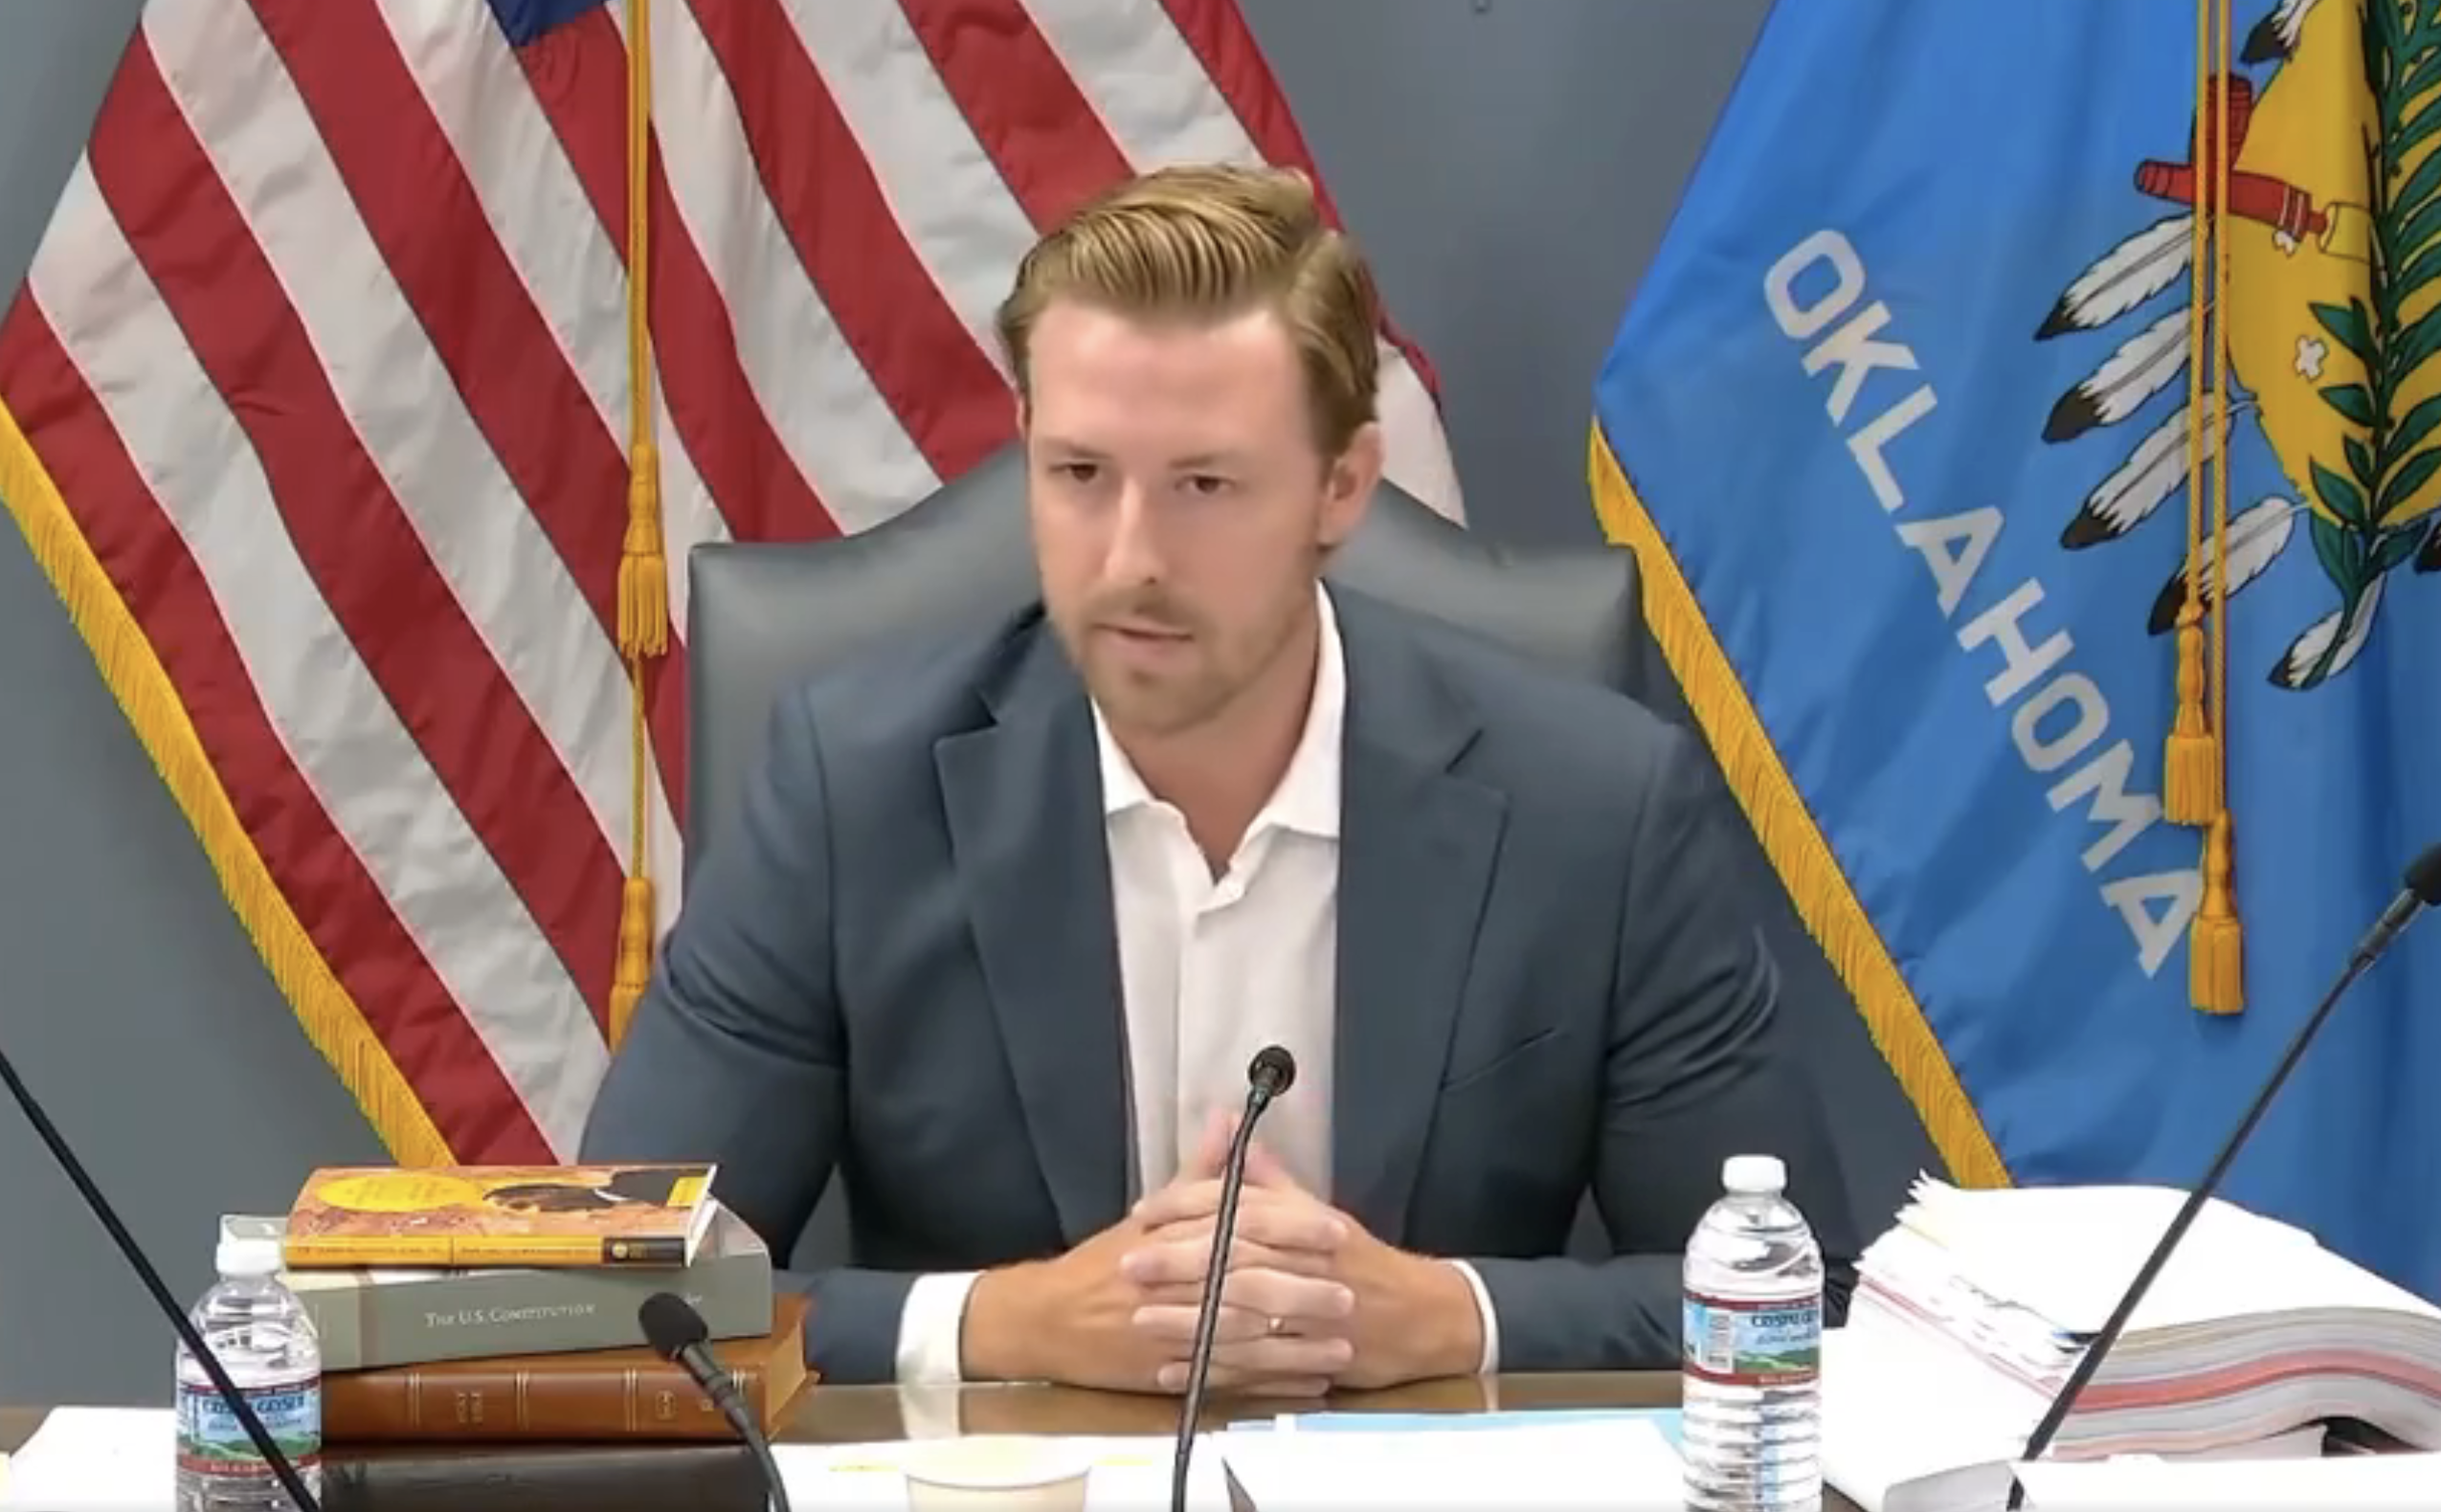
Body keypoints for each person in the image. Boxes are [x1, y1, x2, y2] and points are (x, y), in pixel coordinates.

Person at [579, 162, 1860, 1393]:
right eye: (1079, 475)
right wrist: (1009, 1318)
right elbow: (610, 1284)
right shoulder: (848, 792)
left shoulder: (1596, 806)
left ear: (1341, 486)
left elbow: (1800, 1302)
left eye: (1204, 484)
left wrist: (1443, 1314)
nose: (1132, 556)